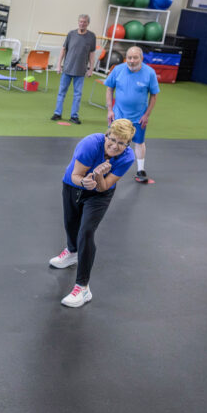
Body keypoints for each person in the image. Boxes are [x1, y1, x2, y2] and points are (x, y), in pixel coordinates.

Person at [49, 118, 137, 308]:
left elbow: (103, 186)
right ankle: (72, 252)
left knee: (86, 231)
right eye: (112, 139)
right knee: (71, 224)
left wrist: (97, 176)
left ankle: (83, 288)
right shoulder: (90, 144)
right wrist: (85, 181)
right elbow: (75, 175)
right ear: (107, 135)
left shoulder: (127, 157)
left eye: (121, 143)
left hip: (99, 195)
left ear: (128, 144)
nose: (115, 146)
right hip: (73, 185)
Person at [105, 46, 160, 183]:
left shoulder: (149, 73)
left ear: (141, 58)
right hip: (118, 115)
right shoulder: (118, 70)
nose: (131, 60)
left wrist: (146, 115)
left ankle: (140, 170)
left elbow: (154, 95)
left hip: (138, 116)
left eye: (135, 58)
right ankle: (106, 166)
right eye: (129, 57)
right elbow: (109, 89)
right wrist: (110, 110)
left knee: (139, 142)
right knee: (113, 140)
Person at [52, 14, 98, 124]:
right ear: (78, 22)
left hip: (80, 71)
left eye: (85, 22)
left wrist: (91, 69)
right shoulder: (71, 34)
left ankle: (74, 116)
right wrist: (59, 65)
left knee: (77, 95)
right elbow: (63, 50)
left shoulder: (91, 36)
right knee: (61, 93)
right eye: (81, 21)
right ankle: (57, 113)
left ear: (88, 23)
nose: (82, 23)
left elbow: (92, 54)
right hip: (67, 69)